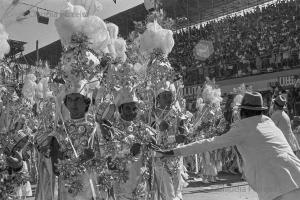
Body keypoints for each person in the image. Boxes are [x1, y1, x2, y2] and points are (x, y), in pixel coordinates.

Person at [154, 92, 300, 200]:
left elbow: (208, 144)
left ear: (242, 111)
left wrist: (173, 152)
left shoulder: (243, 127)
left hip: (278, 185)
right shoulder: (267, 121)